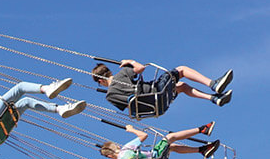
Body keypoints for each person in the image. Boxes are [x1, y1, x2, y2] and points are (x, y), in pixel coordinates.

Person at [91, 59, 232, 110]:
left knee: (181, 86)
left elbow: (130, 106)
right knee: (181, 70)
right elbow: (141, 68)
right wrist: (130, 61)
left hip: (153, 106)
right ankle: (212, 84)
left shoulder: (110, 96)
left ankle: (215, 98)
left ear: (100, 81)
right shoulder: (122, 74)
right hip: (156, 92)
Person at [99, 122, 219, 159]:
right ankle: (202, 129)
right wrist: (131, 129)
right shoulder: (126, 149)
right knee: (170, 137)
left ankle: (202, 150)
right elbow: (144, 135)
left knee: (171, 147)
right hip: (155, 157)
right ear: (117, 147)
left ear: (109, 156)